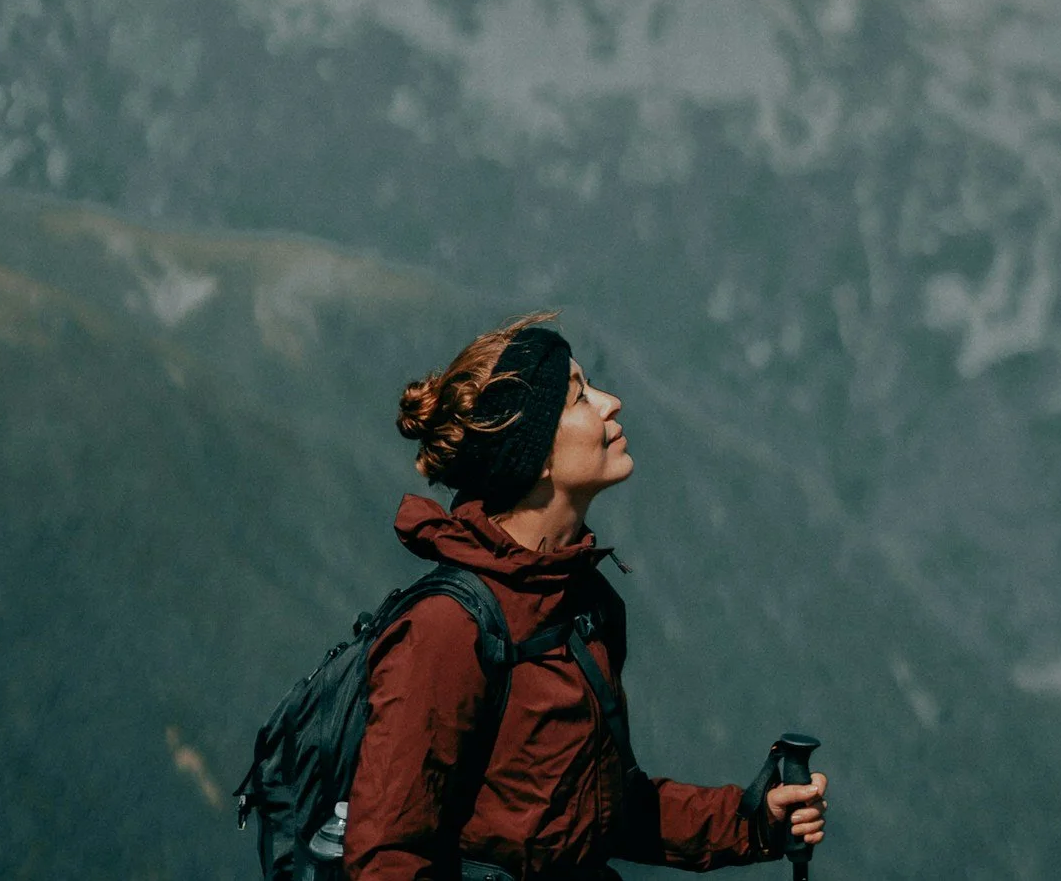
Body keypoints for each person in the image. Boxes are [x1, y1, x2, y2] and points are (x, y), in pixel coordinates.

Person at [344, 315, 828, 881]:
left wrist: (754, 821)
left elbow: (604, 812)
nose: (611, 402)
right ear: (536, 456)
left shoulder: (582, 605)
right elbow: (384, 860)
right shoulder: (446, 630)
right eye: (578, 397)